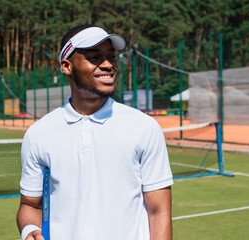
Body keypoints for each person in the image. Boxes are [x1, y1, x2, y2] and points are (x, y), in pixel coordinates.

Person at [17, 24, 173, 240]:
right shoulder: (38, 134)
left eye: (111, 57)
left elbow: (159, 212)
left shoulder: (144, 127)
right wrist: (29, 230)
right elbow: (29, 205)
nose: (108, 64)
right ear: (67, 66)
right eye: (94, 57)